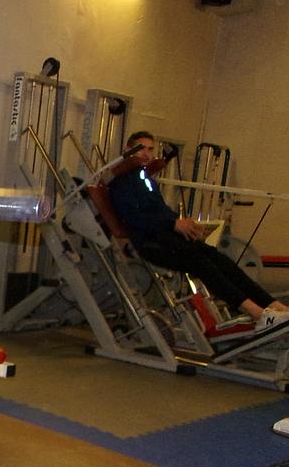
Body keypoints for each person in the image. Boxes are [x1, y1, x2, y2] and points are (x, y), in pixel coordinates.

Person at [108, 130, 289, 331]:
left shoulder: (145, 178)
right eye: (141, 148)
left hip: (166, 238)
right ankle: (257, 313)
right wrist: (173, 224)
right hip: (151, 243)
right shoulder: (122, 182)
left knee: (217, 257)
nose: (146, 154)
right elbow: (134, 218)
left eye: (150, 149)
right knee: (200, 262)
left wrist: (182, 223)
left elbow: (162, 211)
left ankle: (274, 306)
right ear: (128, 150)